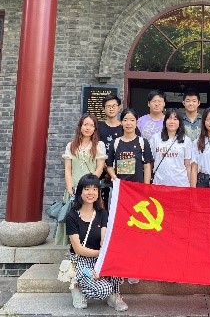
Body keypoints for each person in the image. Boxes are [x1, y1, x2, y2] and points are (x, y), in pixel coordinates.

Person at [65, 174, 127, 312]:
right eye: (87, 189)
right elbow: (78, 249)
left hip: (99, 257)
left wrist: (103, 263)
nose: (91, 193)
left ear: (99, 192)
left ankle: (115, 295)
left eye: (94, 189)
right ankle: (78, 287)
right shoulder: (72, 216)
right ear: (80, 191)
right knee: (103, 290)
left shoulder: (102, 213)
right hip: (82, 260)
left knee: (116, 260)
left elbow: (104, 239)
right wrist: (101, 255)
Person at [57, 114, 106, 245]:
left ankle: (88, 246)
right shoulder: (71, 145)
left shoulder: (99, 145)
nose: (88, 128)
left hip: (91, 190)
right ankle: (72, 249)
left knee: (90, 218)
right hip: (74, 189)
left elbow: (100, 168)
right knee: (73, 218)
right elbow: (68, 169)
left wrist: (90, 185)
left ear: (95, 128)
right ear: (80, 126)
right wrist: (69, 187)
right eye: (85, 124)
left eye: (91, 125)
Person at [106, 108, 154, 184]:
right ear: (121, 122)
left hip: (138, 186)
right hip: (121, 186)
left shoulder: (143, 142)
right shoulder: (115, 143)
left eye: (132, 120)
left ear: (136, 122)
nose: (128, 123)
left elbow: (147, 166)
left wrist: (146, 186)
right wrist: (113, 176)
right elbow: (109, 165)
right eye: (125, 120)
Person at [150, 108, 193, 187]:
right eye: (169, 118)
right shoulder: (155, 138)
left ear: (180, 122)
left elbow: (188, 166)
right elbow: (150, 163)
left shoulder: (186, 140)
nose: (172, 122)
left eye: (175, 119)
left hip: (180, 184)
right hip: (159, 183)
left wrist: (190, 186)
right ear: (165, 121)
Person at [97, 94, 123, 206]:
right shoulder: (98, 127)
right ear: (103, 109)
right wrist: (106, 168)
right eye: (108, 106)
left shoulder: (126, 127)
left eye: (114, 106)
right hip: (101, 173)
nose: (111, 108)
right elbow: (94, 148)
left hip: (122, 174)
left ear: (119, 107)